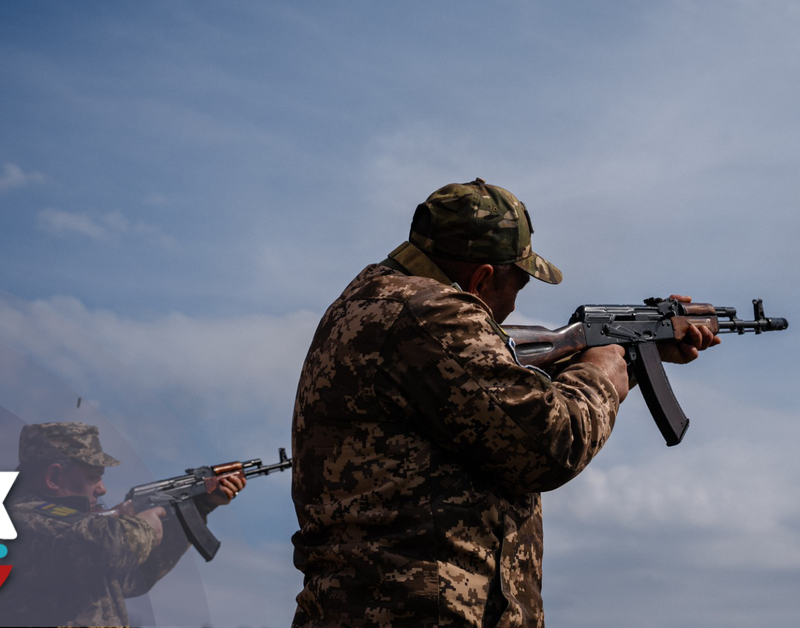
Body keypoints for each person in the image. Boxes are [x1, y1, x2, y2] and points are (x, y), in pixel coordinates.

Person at [290, 178, 717, 627]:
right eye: (519, 285)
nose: (512, 306)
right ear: (482, 278)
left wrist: (638, 352)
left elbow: (484, 400)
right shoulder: (432, 314)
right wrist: (602, 373)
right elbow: (551, 443)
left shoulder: (371, 304)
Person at [0, 421, 246, 627]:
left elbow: (134, 579)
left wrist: (198, 506)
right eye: (92, 477)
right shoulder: (10, 521)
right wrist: (143, 525)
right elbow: (104, 547)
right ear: (53, 477)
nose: (102, 489)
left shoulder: (69, 532)